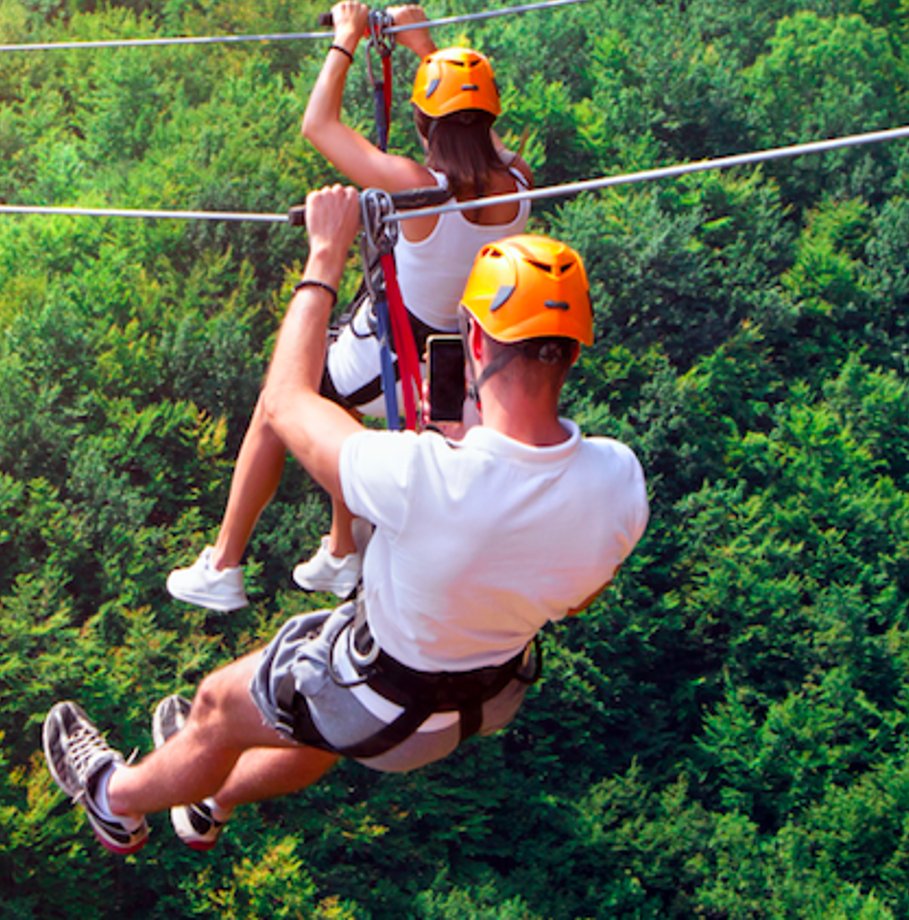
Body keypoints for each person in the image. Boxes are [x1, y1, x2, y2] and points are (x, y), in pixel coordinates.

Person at [46, 186, 647, 854]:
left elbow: (284, 401)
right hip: (484, 698)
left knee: (221, 704)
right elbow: (577, 595)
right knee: (315, 717)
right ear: (573, 351)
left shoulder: (422, 476)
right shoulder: (619, 480)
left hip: (383, 701)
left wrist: (325, 256)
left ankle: (113, 801)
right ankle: (212, 796)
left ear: (474, 338)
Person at [167, 2, 536, 612]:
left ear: (423, 123)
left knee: (278, 401)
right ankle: (342, 551)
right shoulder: (520, 183)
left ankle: (224, 563)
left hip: (389, 356)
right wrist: (426, 50)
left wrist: (345, 39)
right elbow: (479, 132)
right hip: (445, 366)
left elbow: (319, 126)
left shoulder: (416, 189)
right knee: (341, 405)